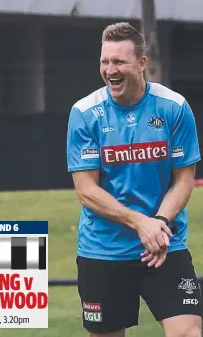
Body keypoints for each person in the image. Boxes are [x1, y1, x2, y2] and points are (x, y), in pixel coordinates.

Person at [67, 22, 202, 337]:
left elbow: (184, 179)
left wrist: (159, 222)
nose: (110, 69)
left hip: (165, 244)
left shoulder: (174, 108)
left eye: (119, 62)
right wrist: (141, 223)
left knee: (188, 332)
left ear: (142, 63)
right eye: (105, 61)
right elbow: (86, 190)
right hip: (103, 249)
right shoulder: (85, 113)